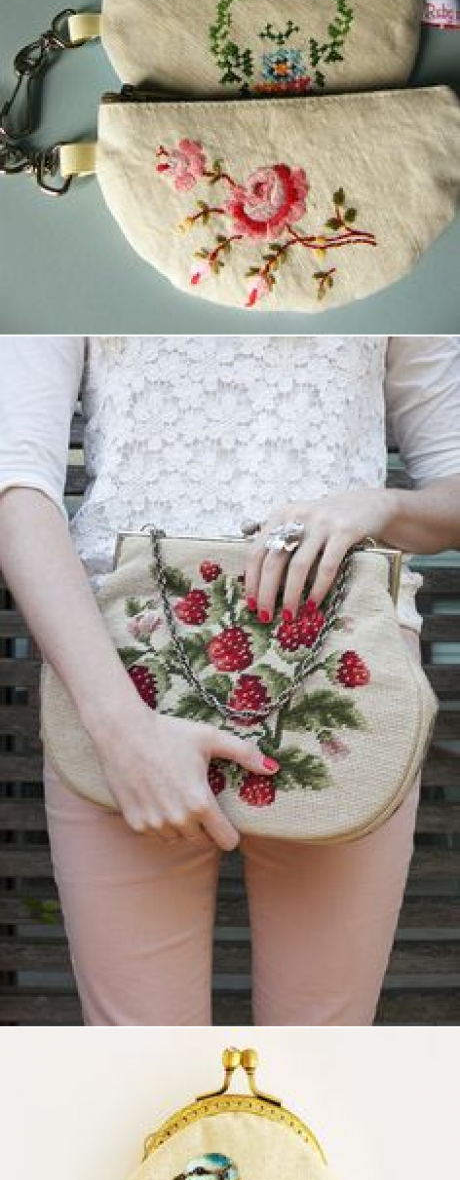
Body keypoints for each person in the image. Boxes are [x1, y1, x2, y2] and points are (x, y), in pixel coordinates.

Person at [1, 334, 459, 1027]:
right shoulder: (59, 234)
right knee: (139, 1080)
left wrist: (380, 506)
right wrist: (123, 730)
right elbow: (15, 481)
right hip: (120, 677)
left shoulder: (396, 240)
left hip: (343, 668)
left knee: (321, 1069)